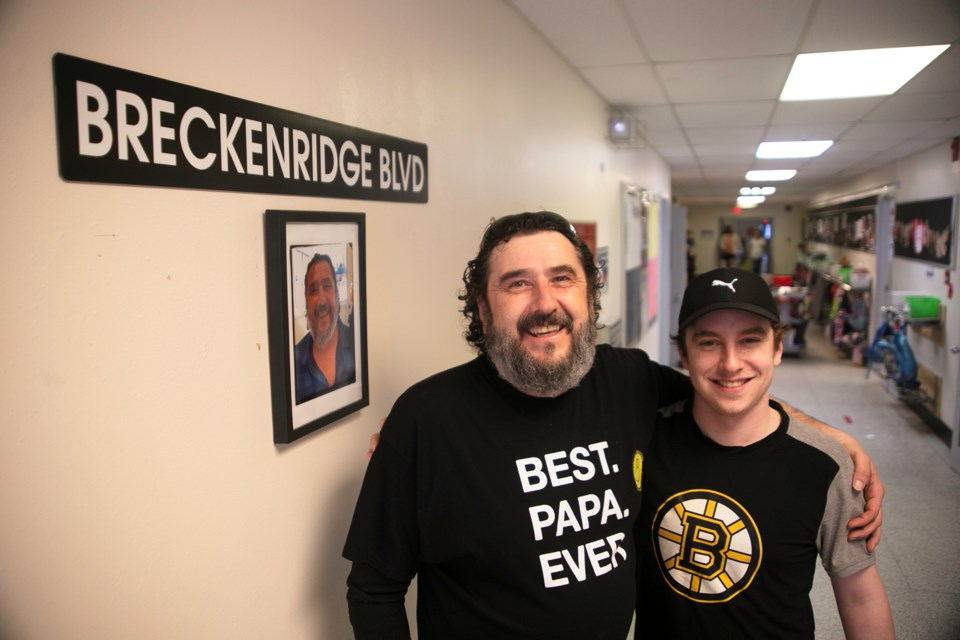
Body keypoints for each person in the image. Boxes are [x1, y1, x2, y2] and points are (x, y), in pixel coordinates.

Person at [342, 212, 882, 639]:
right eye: (516, 285)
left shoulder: (628, 379)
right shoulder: (428, 417)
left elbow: (729, 391)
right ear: (483, 311)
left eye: (562, 279)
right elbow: (373, 589)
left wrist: (832, 438)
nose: (544, 303)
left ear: (589, 296)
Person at [636, 268, 894, 639]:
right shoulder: (645, 441)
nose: (730, 363)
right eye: (709, 343)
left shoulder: (827, 465)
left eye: (749, 341)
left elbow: (859, 598)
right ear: (684, 354)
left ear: (776, 349)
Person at [294, 253, 356, 404]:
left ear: (336, 295)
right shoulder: (294, 361)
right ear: (306, 303)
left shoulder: (357, 344)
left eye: (327, 286)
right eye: (314, 290)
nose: (321, 300)